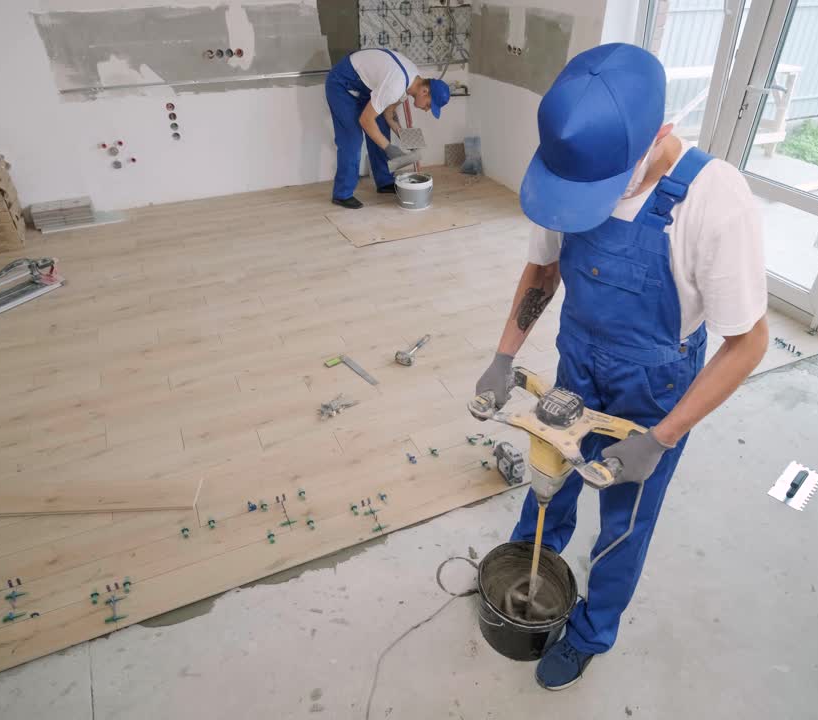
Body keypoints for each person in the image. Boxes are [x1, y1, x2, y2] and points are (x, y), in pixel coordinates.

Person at [472, 43, 769, 690]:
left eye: (604, 187)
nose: (590, 202)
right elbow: (544, 270)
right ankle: (528, 568)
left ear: (660, 135)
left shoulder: (715, 201)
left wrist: (660, 438)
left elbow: (748, 344)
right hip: (578, 356)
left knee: (625, 516)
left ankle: (590, 630)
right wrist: (503, 356)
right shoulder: (568, 169)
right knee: (551, 472)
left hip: (654, 384)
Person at [325, 48, 450, 209]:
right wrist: (389, 148)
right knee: (352, 138)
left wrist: (407, 138)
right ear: (425, 91)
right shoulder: (396, 86)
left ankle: (384, 181)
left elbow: (388, 114)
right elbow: (366, 120)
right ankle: (342, 194)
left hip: (364, 87)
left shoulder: (412, 82)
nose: (427, 110)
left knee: (382, 127)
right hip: (342, 84)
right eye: (429, 105)